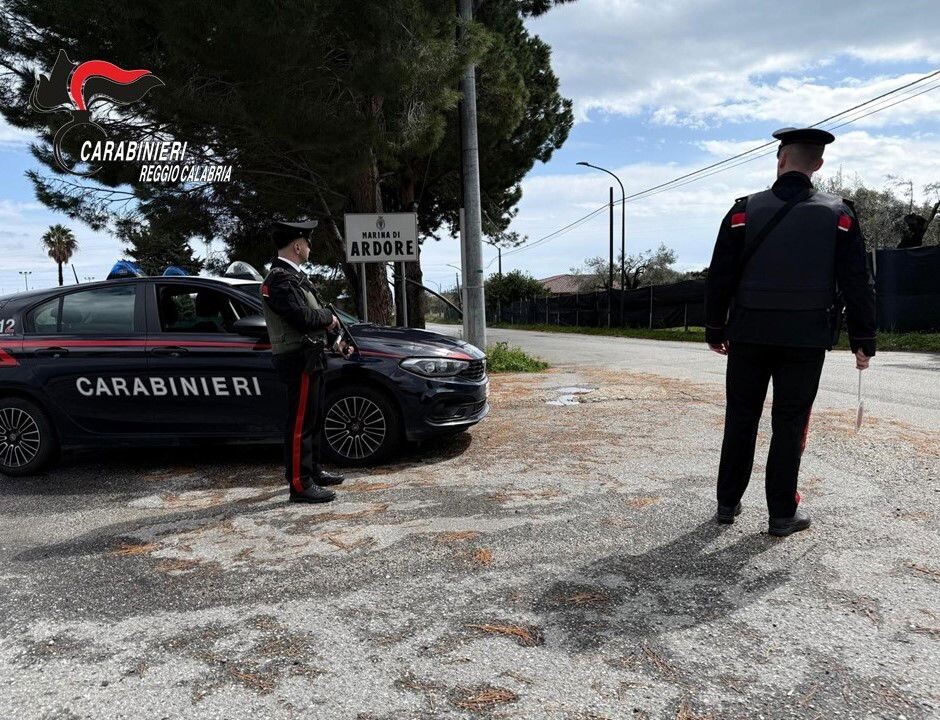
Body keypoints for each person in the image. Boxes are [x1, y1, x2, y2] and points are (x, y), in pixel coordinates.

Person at [705, 127, 876, 537]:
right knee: (790, 422)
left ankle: (727, 504)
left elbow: (719, 276)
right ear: (818, 164)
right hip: (806, 337)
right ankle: (783, 514)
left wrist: (715, 328)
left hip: (748, 332)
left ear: (780, 159)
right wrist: (863, 340)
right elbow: (857, 282)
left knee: (741, 417)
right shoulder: (840, 215)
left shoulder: (743, 211)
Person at [261, 220, 346, 503]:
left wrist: (335, 333)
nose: (310, 248)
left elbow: (314, 314)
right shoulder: (279, 280)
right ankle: (299, 485)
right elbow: (303, 317)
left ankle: (313, 471)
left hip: (310, 356)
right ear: (297, 245)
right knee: (300, 423)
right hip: (297, 359)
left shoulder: (295, 277)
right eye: (307, 243)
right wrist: (329, 318)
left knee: (312, 418)